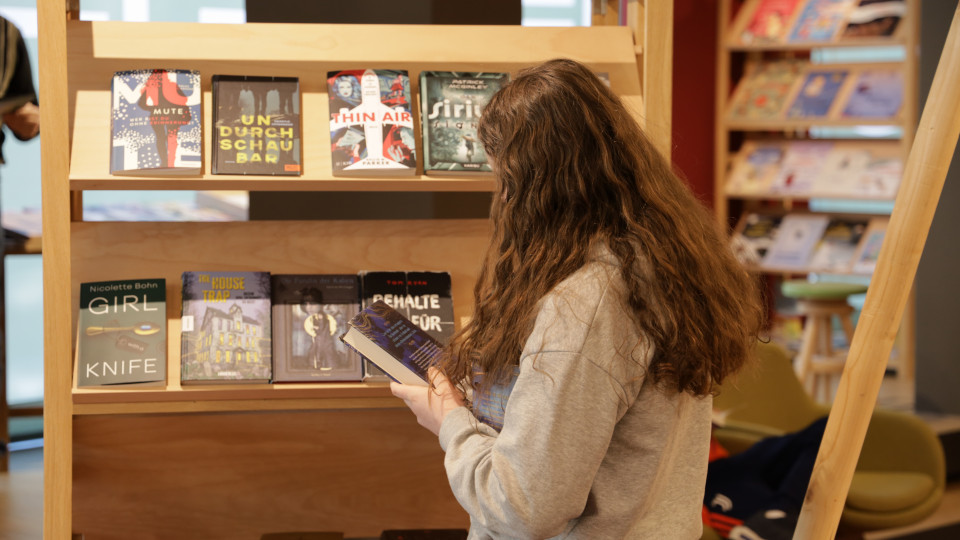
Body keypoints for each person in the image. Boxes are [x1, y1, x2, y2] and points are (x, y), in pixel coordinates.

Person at [391, 58, 764, 539]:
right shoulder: (663, 261)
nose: (503, 200)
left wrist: (449, 421)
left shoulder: (587, 304)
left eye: (508, 182)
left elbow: (522, 507)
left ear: (543, 189)